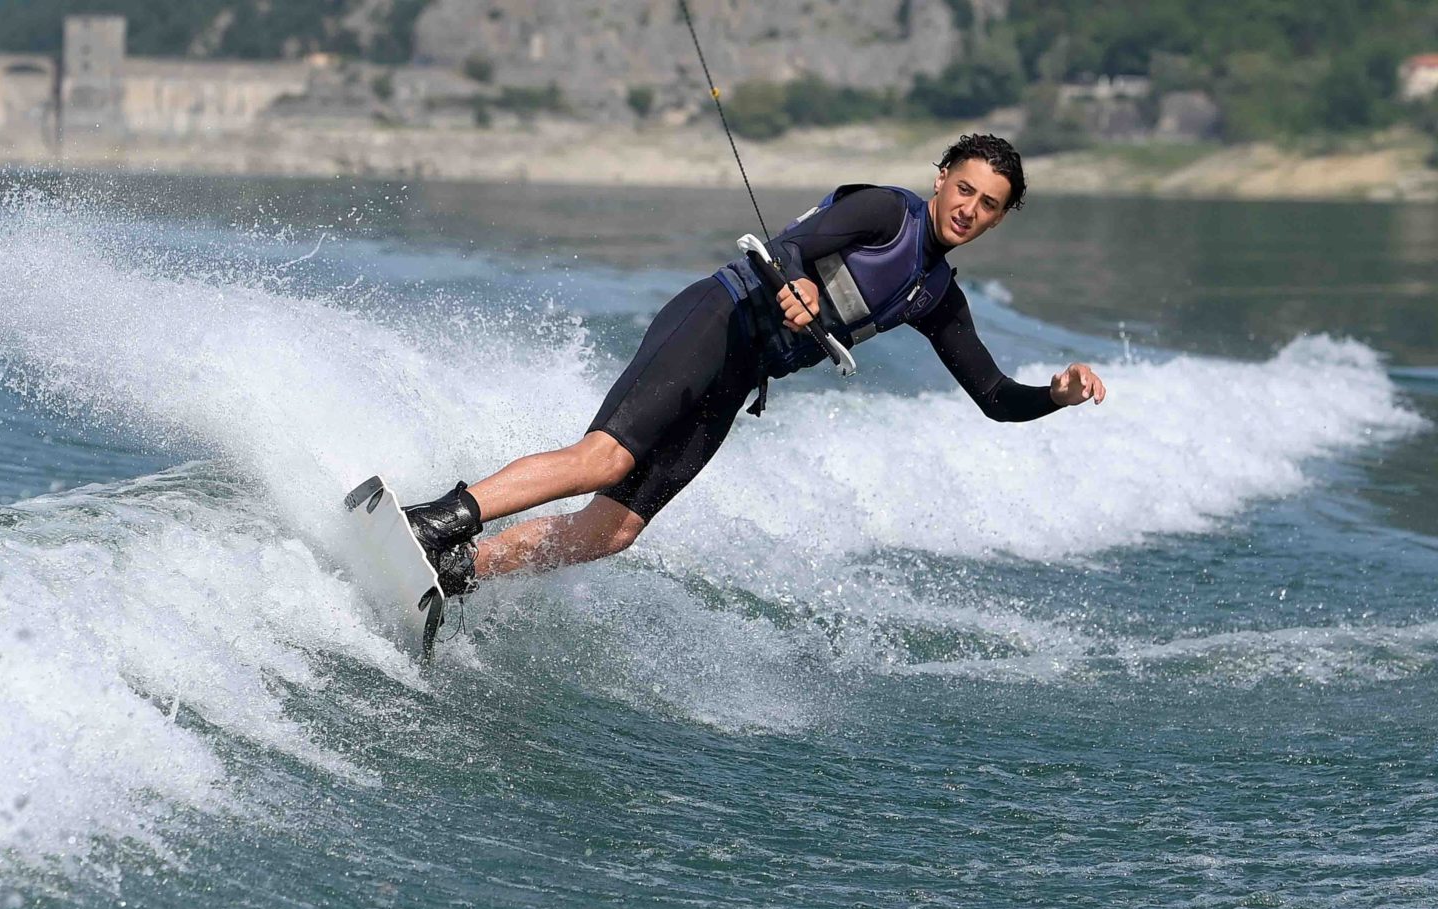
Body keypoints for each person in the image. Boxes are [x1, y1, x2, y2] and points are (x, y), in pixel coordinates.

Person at [400, 132, 1108, 597]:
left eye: (989, 205)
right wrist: (796, 283)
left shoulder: (937, 295)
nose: (970, 209)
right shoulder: (886, 213)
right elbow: (794, 244)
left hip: (739, 376)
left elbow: (993, 396)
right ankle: (435, 520)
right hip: (718, 317)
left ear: (999, 218)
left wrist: (1056, 394)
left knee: (615, 529)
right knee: (605, 459)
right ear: (943, 177)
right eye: (965, 189)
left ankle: (460, 570)